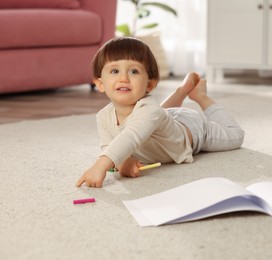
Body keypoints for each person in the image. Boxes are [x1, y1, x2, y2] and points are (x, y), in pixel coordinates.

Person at [76, 37, 244, 188]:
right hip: (164, 120)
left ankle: (200, 97)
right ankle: (182, 90)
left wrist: (99, 166)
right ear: (100, 83)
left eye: (133, 71)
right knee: (158, 114)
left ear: (149, 84)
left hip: (193, 130)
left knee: (236, 136)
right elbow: (109, 146)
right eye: (114, 71)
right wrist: (123, 163)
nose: (124, 78)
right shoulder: (103, 117)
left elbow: (131, 136)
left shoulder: (150, 111)